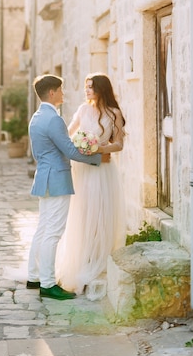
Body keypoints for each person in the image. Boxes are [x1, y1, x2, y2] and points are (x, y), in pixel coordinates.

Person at [27, 74, 110, 301]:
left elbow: (39, 152)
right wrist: (98, 159)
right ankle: (47, 283)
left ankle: (33, 276)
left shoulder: (36, 117)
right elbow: (70, 151)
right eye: (61, 90)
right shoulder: (54, 119)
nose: (64, 93)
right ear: (52, 93)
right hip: (57, 180)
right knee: (53, 233)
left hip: (44, 176)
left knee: (43, 229)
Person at [56, 72, 126, 295]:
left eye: (91, 87)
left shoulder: (114, 113)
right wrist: (78, 146)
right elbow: (68, 133)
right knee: (83, 212)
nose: (86, 91)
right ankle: (83, 256)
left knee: (100, 213)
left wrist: (99, 148)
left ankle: (98, 256)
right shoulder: (83, 110)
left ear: (101, 89)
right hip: (82, 170)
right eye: (86, 87)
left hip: (102, 170)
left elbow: (119, 145)